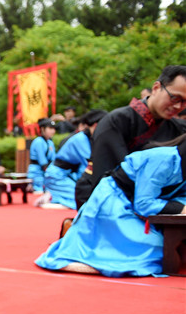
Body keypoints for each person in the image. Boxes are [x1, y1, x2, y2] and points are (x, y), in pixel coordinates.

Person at [35, 135, 186, 277]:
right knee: (155, 250)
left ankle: (80, 228)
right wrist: (180, 208)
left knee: (171, 247)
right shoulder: (164, 159)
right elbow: (144, 204)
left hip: (138, 204)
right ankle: (79, 230)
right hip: (114, 199)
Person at [75, 65, 186, 209]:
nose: (179, 106)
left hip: (153, 200)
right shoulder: (117, 121)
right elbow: (111, 178)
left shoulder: (178, 128)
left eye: (185, 102)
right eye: (175, 98)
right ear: (156, 87)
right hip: (105, 195)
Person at [40, 109, 108, 210]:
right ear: (95, 125)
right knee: (79, 199)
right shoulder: (81, 139)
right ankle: (50, 197)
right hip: (57, 176)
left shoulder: (89, 139)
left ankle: (51, 195)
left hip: (67, 175)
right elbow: (89, 165)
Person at [27, 118, 56, 193]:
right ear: (42, 129)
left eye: (53, 129)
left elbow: (54, 159)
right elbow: (42, 162)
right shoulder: (38, 141)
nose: (53, 131)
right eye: (50, 128)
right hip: (37, 172)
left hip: (47, 171)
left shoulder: (50, 142)